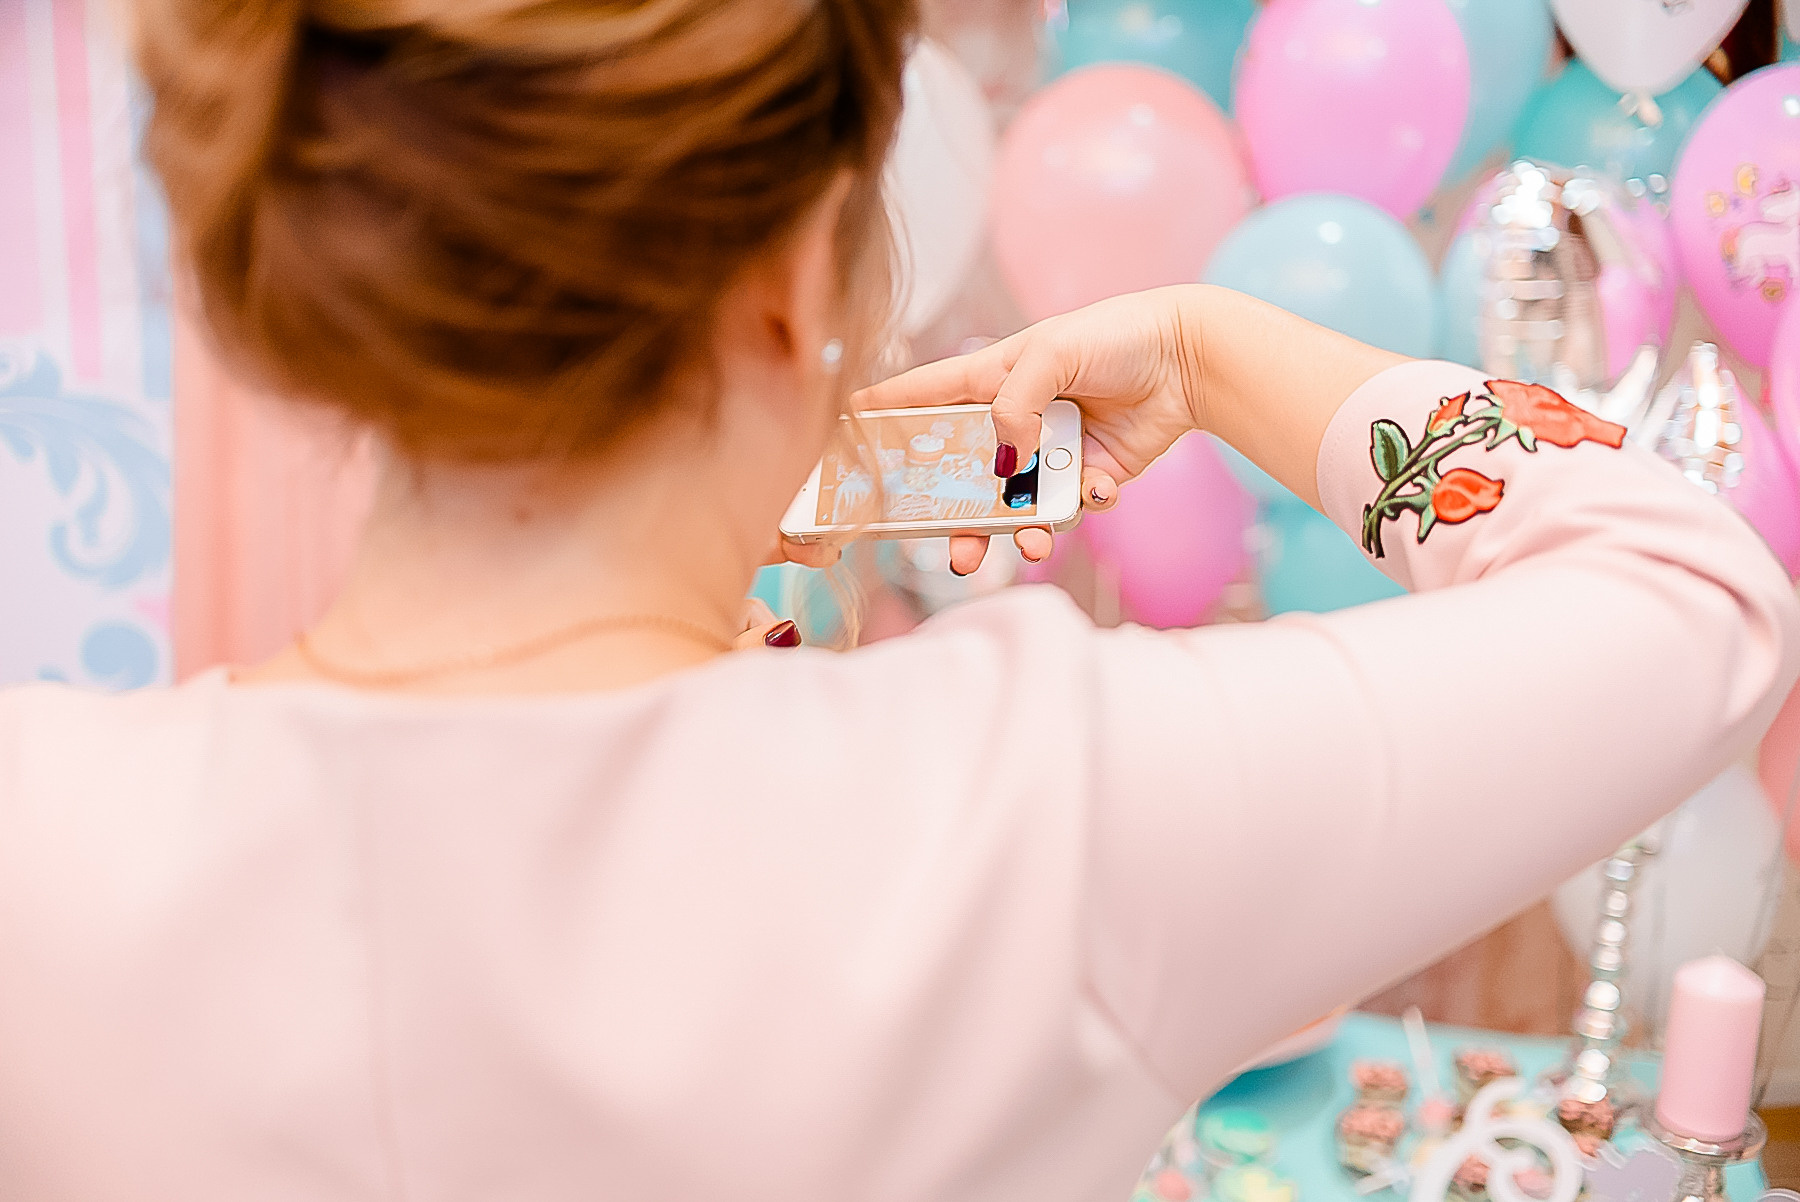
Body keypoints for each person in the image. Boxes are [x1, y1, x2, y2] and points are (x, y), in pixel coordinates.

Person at [0, 0, 1793, 1197]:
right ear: (799, 268)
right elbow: (1689, 587)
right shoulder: (1057, 805)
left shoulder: (45, 840)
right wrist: (1213, 345)